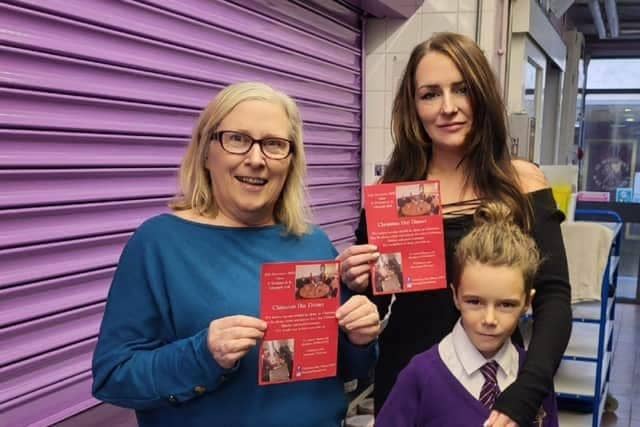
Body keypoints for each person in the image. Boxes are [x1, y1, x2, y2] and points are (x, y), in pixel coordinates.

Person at [92, 82, 380, 427]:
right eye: (238, 139)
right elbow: (114, 375)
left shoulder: (313, 243)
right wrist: (203, 355)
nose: (256, 160)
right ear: (206, 151)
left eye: (274, 145)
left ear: (290, 161)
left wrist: (360, 339)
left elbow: (351, 369)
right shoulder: (158, 244)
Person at [337, 32, 571, 427]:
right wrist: (355, 285)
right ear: (413, 106)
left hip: (499, 384)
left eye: (461, 89)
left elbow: (554, 298)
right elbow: (374, 309)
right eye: (430, 94)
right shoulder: (393, 193)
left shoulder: (521, 183)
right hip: (410, 385)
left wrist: (527, 392)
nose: (447, 108)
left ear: (481, 94)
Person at [376, 202, 559, 426]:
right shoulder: (420, 376)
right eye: (474, 302)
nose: (489, 320)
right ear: (455, 296)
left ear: (527, 303)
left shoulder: (534, 379)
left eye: (506, 305)